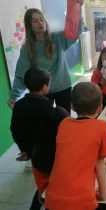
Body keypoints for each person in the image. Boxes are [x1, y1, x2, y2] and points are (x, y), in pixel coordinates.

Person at [45, 82, 106, 210]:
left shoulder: (64, 123)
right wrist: (103, 193)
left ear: (73, 107)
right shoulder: (102, 126)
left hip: (52, 200)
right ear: (100, 108)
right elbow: (99, 162)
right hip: (82, 202)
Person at [7, 0, 84, 114]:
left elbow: (74, 32)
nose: (40, 23)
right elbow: (21, 74)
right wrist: (14, 96)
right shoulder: (28, 48)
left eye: (41, 19)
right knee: (45, 121)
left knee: (64, 119)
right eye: (35, 21)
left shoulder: (57, 38)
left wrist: (78, 7)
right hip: (42, 91)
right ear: (29, 26)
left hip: (63, 86)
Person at [10, 68, 69, 210]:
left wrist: (26, 150)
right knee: (51, 185)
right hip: (51, 156)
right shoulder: (50, 109)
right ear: (44, 87)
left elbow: (15, 129)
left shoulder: (18, 105)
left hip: (35, 156)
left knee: (43, 184)